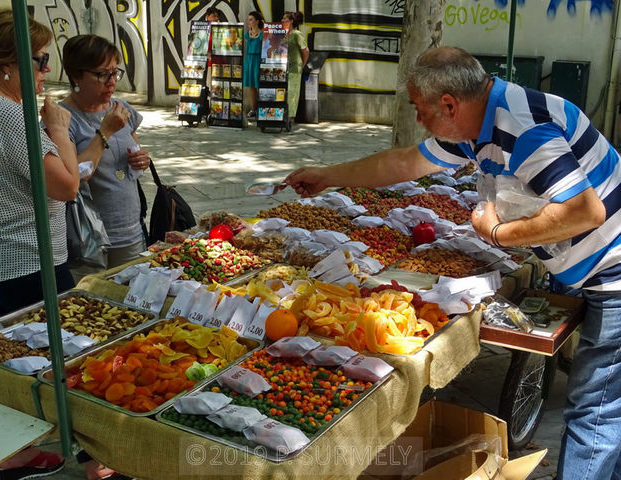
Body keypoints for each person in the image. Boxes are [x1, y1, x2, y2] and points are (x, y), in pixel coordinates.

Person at [286, 45, 621, 480]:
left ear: (449, 104)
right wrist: (328, 174)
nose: (419, 120)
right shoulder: (474, 125)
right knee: (604, 406)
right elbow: (404, 162)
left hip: (612, 271)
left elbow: (583, 212)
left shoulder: (523, 128)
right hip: (583, 266)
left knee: (595, 412)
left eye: (419, 110)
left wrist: (497, 233)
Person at [0, 8, 77, 479]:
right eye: (40, 60)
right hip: (29, 259)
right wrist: (57, 129)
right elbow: (66, 186)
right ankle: (32, 459)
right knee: (46, 366)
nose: (46, 71)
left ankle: (21, 455)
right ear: (6, 63)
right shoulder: (5, 114)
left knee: (17, 360)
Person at [60, 34, 151, 281]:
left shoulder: (121, 109)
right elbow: (76, 175)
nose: (112, 82)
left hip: (131, 231)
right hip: (89, 241)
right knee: (94, 312)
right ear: (76, 76)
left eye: (115, 72)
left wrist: (142, 159)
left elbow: (134, 149)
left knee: (134, 302)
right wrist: (106, 131)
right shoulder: (62, 119)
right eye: (102, 74)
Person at [282, 11, 309, 123]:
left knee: (293, 93)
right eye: (282, 19)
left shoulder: (297, 34)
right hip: (283, 68)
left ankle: (291, 117)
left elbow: (305, 51)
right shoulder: (283, 34)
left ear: (292, 21)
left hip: (294, 67)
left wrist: (302, 64)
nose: (283, 21)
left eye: (285, 19)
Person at [243, 11, 263, 119]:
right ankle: (253, 109)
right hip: (249, 60)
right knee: (251, 87)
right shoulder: (247, 35)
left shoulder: (262, 35)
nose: (248, 22)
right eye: (248, 19)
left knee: (260, 85)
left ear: (257, 21)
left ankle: (262, 109)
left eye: (251, 19)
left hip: (258, 60)